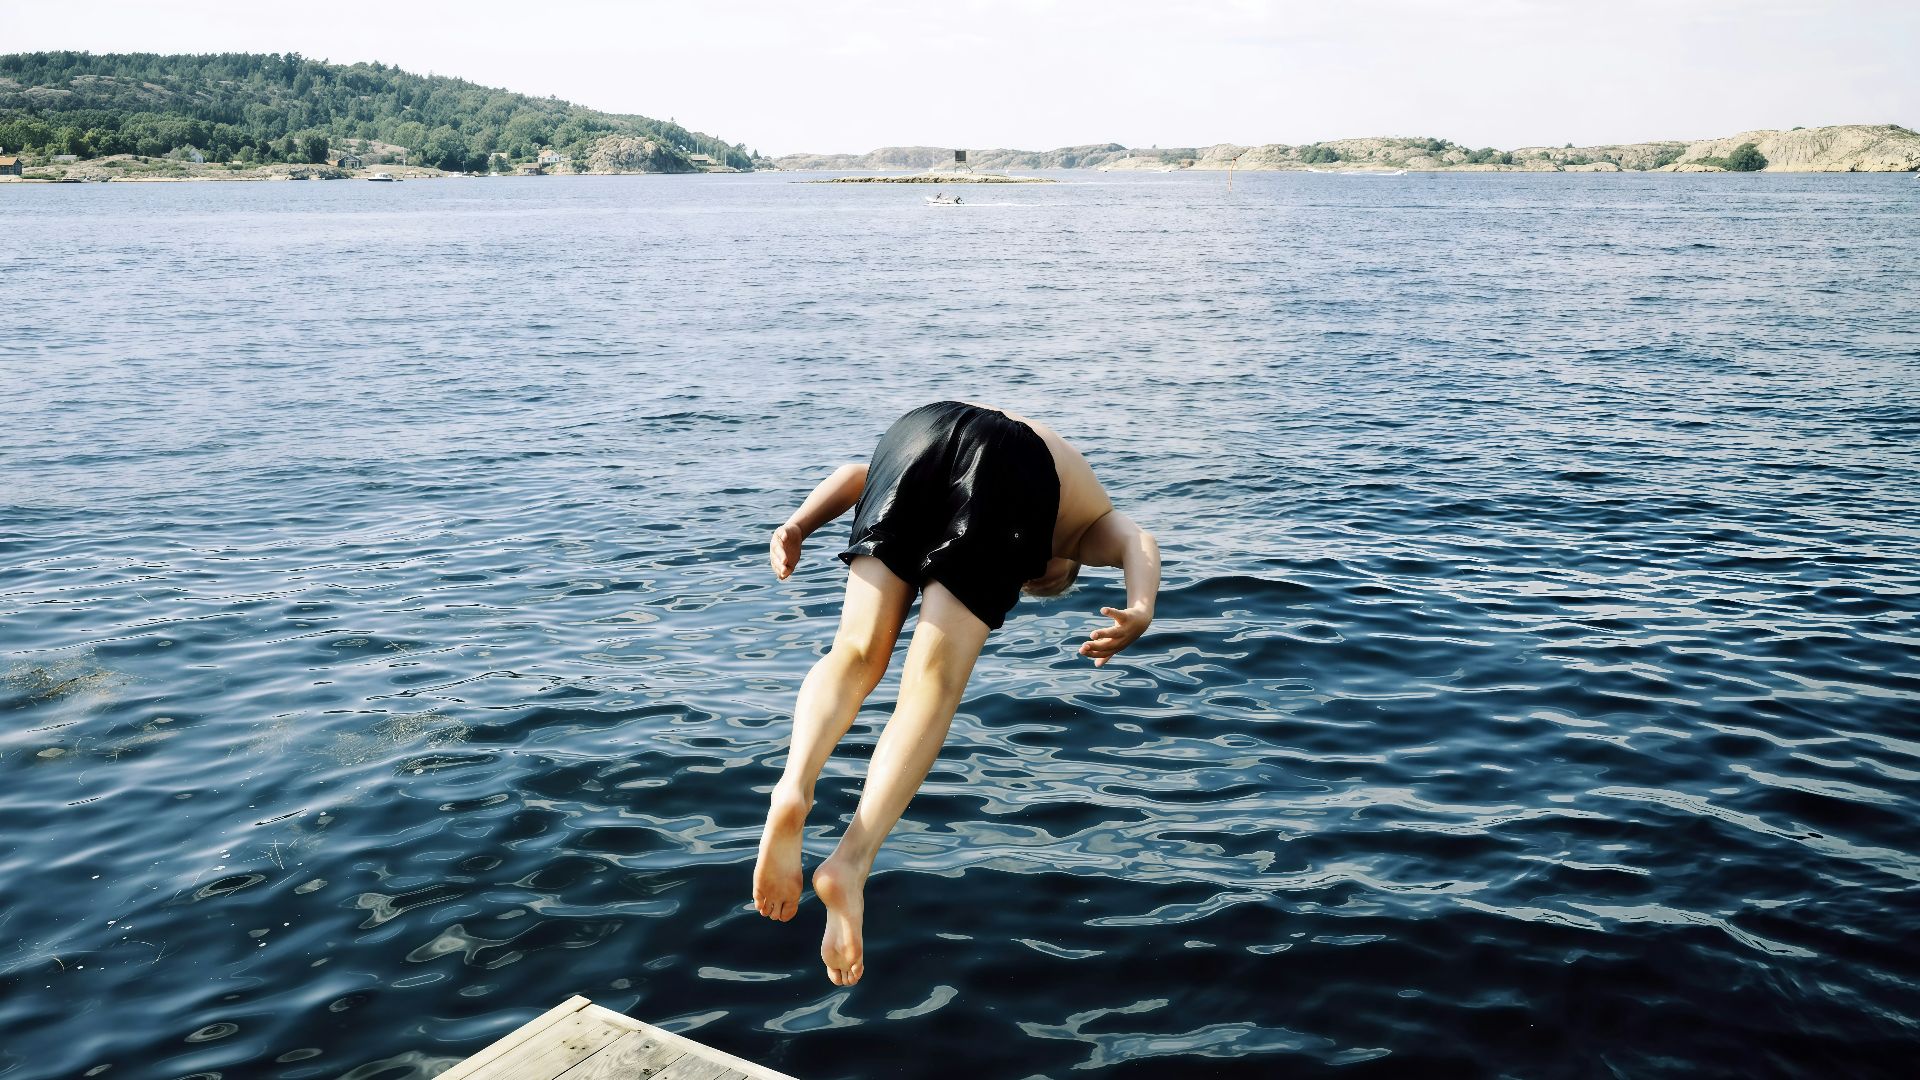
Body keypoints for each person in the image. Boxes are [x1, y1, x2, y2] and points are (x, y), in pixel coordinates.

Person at [753, 400, 1161, 986]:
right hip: (1011, 462)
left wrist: (797, 524)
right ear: (1053, 563)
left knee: (854, 652)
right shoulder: (1075, 534)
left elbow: (860, 475)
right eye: (1028, 577)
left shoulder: (1041, 471)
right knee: (932, 686)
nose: (1019, 582)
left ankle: (793, 788)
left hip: (919, 429)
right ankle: (852, 861)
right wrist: (1141, 608)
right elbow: (1135, 539)